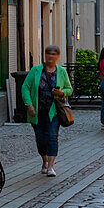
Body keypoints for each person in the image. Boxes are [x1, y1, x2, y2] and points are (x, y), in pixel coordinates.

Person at [20, 45, 73, 177]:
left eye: (54, 54)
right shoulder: (36, 71)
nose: (51, 56)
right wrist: (29, 105)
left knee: (52, 136)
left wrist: (62, 92)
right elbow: (25, 87)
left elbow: (69, 89)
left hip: (54, 111)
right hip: (37, 111)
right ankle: (44, 160)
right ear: (45, 55)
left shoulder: (61, 71)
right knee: (40, 138)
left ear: (57, 56)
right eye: (49, 53)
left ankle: (51, 166)